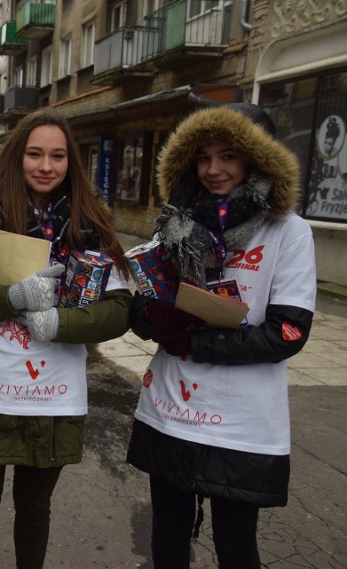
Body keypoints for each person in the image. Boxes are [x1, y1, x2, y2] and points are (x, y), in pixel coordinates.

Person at [126, 103, 317, 568]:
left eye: (228, 156)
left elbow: (287, 333)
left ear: (258, 159)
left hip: (241, 422)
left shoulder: (287, 231)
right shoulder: (175, 224)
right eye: (204, 157)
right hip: (171, 409)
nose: (214, 170)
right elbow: (144, 307)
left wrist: (195, 343)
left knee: (235, 545)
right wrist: (149, 316)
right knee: (168, 538)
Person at [0, 108, 133, 569]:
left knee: (35, 508)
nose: (45, 166)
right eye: (34, 154)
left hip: (54, 394)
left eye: (57, 155)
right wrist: (13, 298)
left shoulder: (90, 219)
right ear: (16, 156)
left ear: (71, 162)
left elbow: (120, 311)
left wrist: (59, 325)